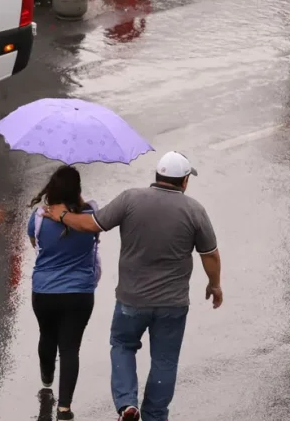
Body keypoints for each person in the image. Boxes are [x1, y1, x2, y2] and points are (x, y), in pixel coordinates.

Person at [43, 151, 222, 421]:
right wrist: (215, 285)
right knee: (165, 360)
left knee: (123, 345)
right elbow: (210, 255)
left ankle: (128, 404)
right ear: (184, 181)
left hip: (131, 300)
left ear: (158, 176)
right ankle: (155, 415)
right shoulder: (194, 210)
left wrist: (63, 216)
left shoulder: (131, 199)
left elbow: (92, 224)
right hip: (172, 304)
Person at [27, 166, 101, 421]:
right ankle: (64, 409)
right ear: (77, 190)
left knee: (47, 335)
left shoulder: (38, 217)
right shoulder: (89, 216)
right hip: (79, 293)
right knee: (70, 348)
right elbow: (96, 229)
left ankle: (47, 374)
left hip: (44, 292)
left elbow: (35, 243)